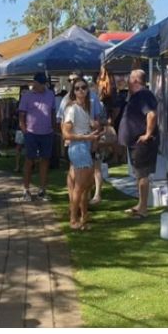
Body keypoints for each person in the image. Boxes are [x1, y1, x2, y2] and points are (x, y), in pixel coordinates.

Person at [118, 69, 158, 218]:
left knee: (142, 175)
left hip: (142, 144)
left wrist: (147, 134)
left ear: (135, 81)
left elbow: (151, 114)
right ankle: (140, 204)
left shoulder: (144, 95)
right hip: (134, 143)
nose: (127, 82)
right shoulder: (136, 95)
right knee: (138, 174)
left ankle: (143, 208)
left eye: (129, 79)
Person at [62, 77, 101, 231]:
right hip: (78, 147)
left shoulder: (85, 107)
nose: (80, 91)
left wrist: (93, 130)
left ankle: (83, 217)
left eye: (83, 87)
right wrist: (87, 137)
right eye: (77, 88)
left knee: (85, 185)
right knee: (80, 186)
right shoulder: (72, 109)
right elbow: (66, 134)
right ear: (73, 91)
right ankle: (73, 219)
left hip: (84, 146)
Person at [18, 72, 56, 202]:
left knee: (45, 161)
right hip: (31, 133)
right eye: (40, 83)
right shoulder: (27, 96)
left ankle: (42, 190)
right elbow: (21, 116)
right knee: (29, 161)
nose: (42, 86)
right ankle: (26, 190)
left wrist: (53, 128)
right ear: (34, 83)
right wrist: (25, 131)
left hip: (47, 133)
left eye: (43, 83)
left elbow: (52, 112)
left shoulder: (50, 94)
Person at [13, 85, 29, 173]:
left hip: (30, 128)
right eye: (23, 92)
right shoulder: (18, 103)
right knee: (18, 147)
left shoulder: (31, 102)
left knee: (28, 148)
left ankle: (27, 166)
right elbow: (15, 116)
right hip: (20, 128)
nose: (25, 94)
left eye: (26, 92)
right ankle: (17, 165)